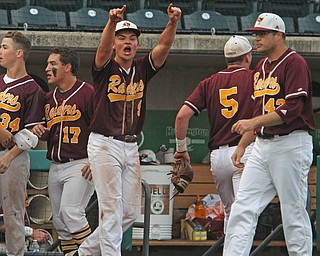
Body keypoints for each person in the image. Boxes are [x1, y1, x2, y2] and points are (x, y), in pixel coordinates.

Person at [70, 3, 181, 256]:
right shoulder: (105, 68)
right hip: (104, 142)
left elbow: (163, 47)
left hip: (130, 146)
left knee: (129, 213)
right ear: (115, 44)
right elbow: (101, 49)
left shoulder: (142, 68)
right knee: (111, 210)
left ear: (137, 45)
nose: (127, 42)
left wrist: (172, 23)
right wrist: (111, 23)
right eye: (122, 38)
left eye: (132, 38)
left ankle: (84, 253)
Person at [223, 13, 315, 255]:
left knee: (292, 211)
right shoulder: (261, 67)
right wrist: (243, 145)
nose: (257, 38)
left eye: (263, 34)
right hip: (262, 146)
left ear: (279, 35)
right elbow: (259, 111)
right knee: (243, 207)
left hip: (291, 143)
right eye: (255, 34)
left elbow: (291, 109)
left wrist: (252, 122)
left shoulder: (295, 63)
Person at [174, 35, 254, 232]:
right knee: (244, 215)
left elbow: (182, 117)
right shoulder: (255, 77)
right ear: (248, 57)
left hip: (218, 157)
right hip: (245, 151)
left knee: (230, 213)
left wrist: (181, 149)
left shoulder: (209, 82)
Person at [32, 47, 95, 254]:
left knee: (71, 212)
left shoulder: (88, 93)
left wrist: (95, 160)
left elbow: (101, 129)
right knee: (60, 222)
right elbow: (49, 132)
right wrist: (41, 132)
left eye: (53, 64)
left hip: (81, 163)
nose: (47, 69)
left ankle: (94, 252)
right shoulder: (49, 98)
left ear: (67, 67)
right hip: (56, 165)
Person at [0, 31, 45, 256]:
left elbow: (31, 135)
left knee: (13, 212)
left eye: (5, 47)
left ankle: (15, 254)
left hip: (13, 156)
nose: (1, 51)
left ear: (19, 53)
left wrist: (9, 156)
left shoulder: (33, 88)